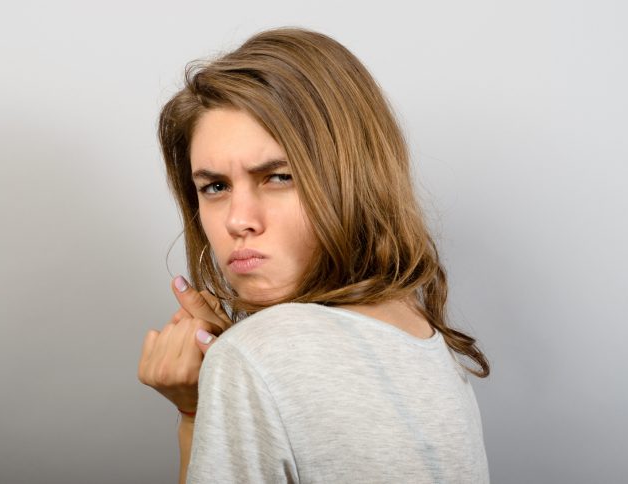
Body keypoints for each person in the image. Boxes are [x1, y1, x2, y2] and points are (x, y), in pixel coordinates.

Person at [138, 27, 491, 483]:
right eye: (216, 187)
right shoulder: (420, 336)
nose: (237, 221)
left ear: (352, 178)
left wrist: (191, 414)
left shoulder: (256, 355)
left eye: (278, 177)